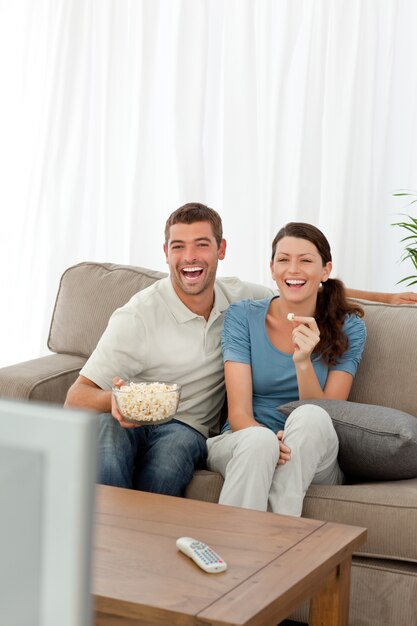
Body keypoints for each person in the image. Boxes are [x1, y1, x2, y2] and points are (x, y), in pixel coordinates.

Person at [65, 203, 416, 498]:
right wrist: (117, 401)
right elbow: (76, 397)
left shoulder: (239, 297)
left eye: (202, 245)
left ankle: (150, 542)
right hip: (128, 415)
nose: (190, 257)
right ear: (166, 253)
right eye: (178, 247)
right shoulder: (137, 315)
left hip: (187, 426)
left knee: (167, 466)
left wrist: (386, 299)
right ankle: (105, 542)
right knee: (106, 443)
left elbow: (299, 284)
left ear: (221, 250)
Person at [206, 222, 366, 517]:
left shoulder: (349, 327)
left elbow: (332, 413)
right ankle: (241, 549)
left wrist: (303, 361)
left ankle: (273, 545)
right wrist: (270, 443)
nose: (293, 269)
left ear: (325, 270)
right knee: (258, 442)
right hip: (246, 440)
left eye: (305, 260)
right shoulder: (242, 316)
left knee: (311, 415)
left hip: (313, 450)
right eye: (284, 260)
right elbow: (239, 414)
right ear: (272, 268)